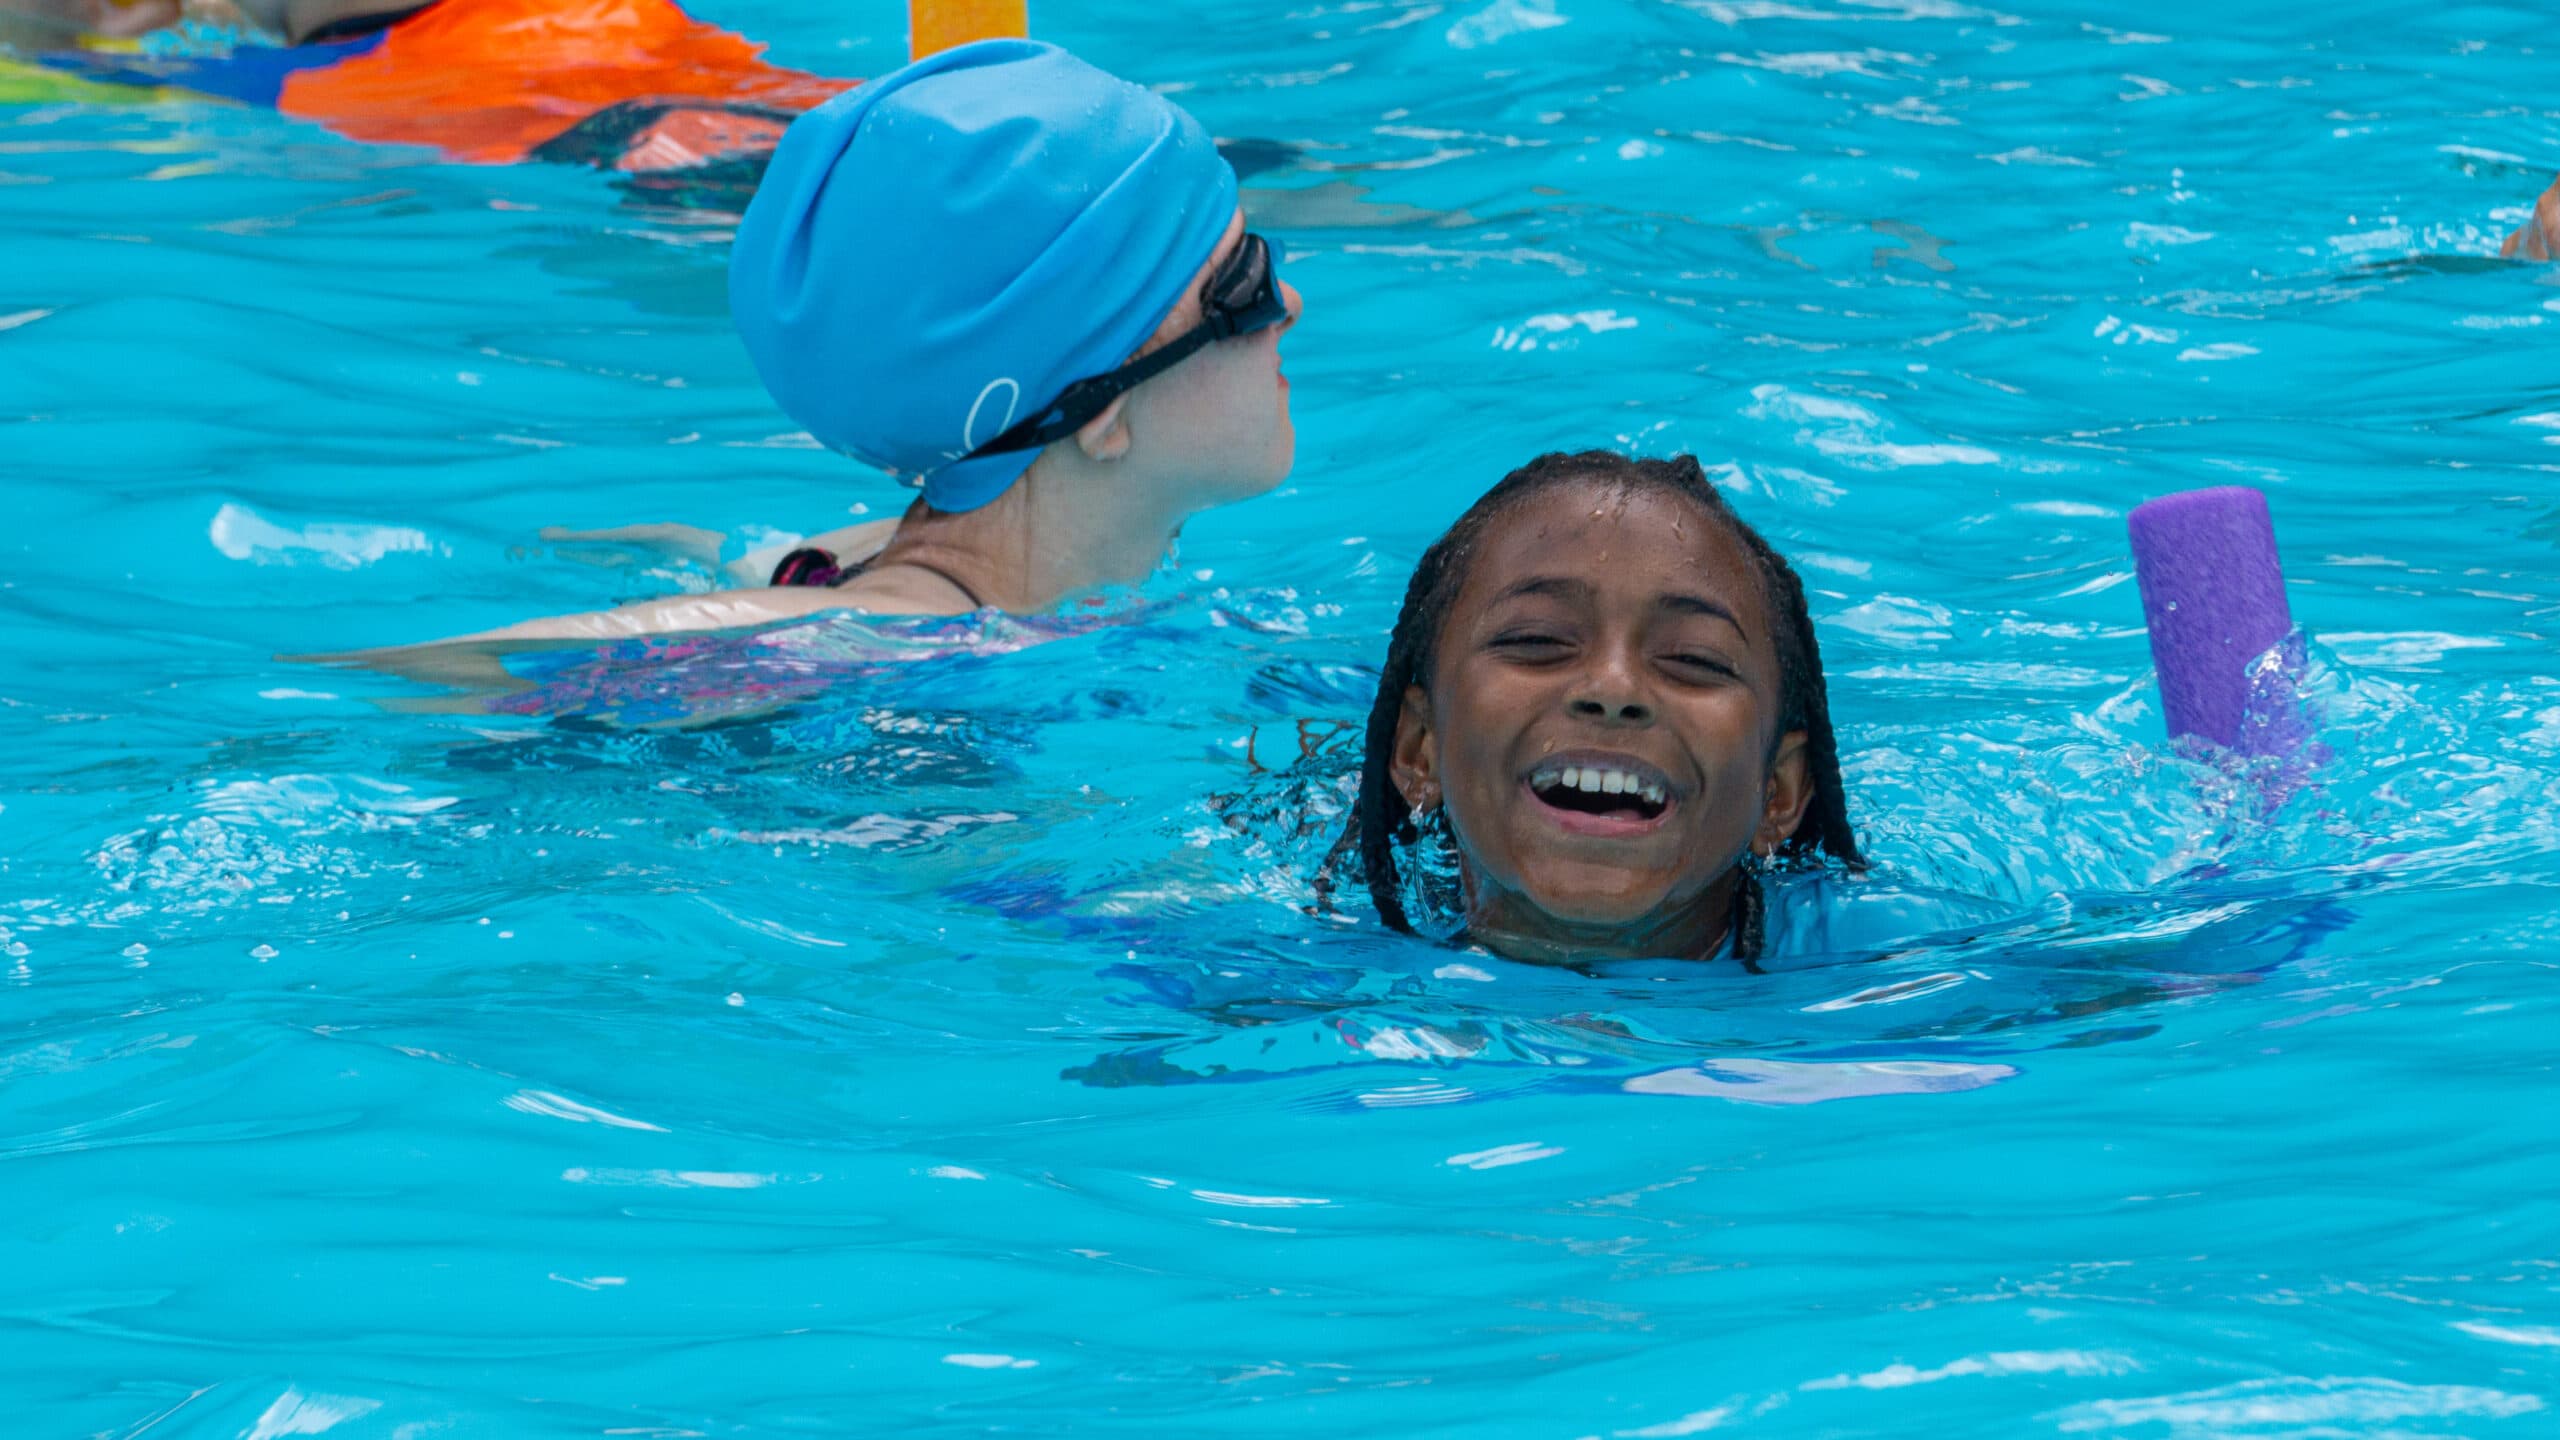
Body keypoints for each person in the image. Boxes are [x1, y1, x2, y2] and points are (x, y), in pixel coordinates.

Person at [330, 40, 1301, 685]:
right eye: (1244, 286)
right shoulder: (865, 643)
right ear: (1097, 406)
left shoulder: (910, 567)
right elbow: (405, 682)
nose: (1288, 306)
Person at [1337, 450, 1867, 967]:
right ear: (1419, 752)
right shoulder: (1304, 969)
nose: (1614, 689)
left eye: (1692, 659)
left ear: (1778, 791)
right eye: (1538, 639)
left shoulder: (1880, 973)